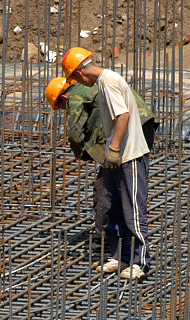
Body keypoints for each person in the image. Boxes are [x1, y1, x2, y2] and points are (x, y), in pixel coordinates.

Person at [62, 47, 151, 280]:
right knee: (113, 206)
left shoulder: (109, 81)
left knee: (132, 207)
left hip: (128, 154)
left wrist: (112, 149)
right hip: (117, 155)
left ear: (79, 74)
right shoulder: (102, 83)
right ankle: (119, 256)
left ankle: (140, 262)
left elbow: (123, 116)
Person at [46, 75, 157, 252]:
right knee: (121, 184)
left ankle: (105, 237)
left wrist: (84, 154)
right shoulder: (92, 86)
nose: (63, 110)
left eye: (60, 107)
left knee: (104, 187)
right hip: (144, 126)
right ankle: (119, 234)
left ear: (63, 98)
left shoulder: (75, 96)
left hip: (127, 132)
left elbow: (75, 134)